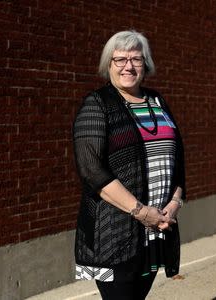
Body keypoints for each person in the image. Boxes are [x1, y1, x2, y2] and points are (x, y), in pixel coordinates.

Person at [72, 30, 186, 300]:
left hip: (156, 230)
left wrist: (175, 201)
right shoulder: (98, 104)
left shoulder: (157, 102)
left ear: (145, 64)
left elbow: (177, 156)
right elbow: (91, 170)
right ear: (108, 65)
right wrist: (140, 211)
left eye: (136, 59)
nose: (128, 66)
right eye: (120, 59)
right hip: (113, 233)